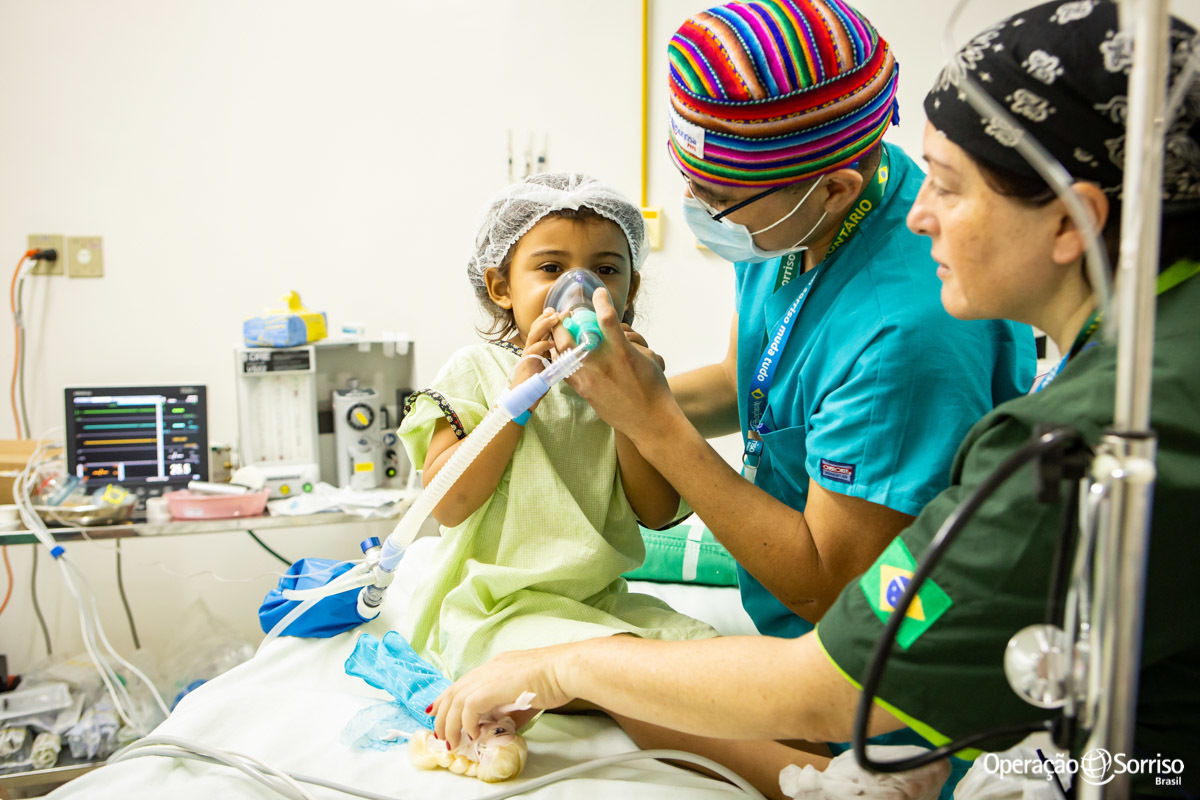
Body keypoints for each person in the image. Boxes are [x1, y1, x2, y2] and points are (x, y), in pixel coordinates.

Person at [430, 3, 1200, 798]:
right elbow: (755, 378)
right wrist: (607, 399)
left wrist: (570, 662)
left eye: (949, 186)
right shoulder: (793, 224)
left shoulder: (937, 346)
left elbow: (836, 654)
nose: (923, 215)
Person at [397, 171, 716, 685]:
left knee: (712, 658)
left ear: (629, 289)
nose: (580, 288)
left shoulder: (631, 385)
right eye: (551, 267)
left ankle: (803, 765)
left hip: (596, 605)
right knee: (631, 677)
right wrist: (516, 399)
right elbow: (448, 504)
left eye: (606, 269)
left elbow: (656, 512)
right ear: (501, 287)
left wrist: (636, 408)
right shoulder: (477, 371)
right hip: (495, 614)